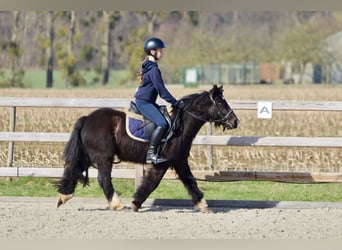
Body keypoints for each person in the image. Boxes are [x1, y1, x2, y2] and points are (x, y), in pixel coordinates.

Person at [134, 37, 183, 164]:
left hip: (147, 101)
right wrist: (175, 102)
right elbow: (162, 91)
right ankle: (151, 153)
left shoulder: (148, 66)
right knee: (163, 123)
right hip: (144, 102)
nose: (162, 53)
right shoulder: (154, 70)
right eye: (160, 50)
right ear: (152, 51)